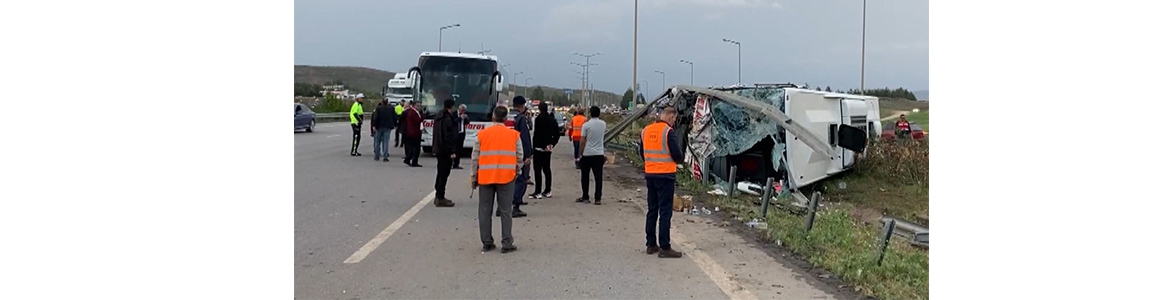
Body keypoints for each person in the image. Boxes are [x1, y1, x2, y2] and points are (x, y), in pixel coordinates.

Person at [472, 106, 523, 254]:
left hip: (486, 177)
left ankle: (487, 242)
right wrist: (517, 171)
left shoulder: (482, 134)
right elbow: (519, 155)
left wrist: (474, 177)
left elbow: (475, 157)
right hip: (506, 177)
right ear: (506, 119)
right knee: (506, 210)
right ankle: (507, 242)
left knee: (484, 210)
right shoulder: (513, 135)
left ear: (493, 117)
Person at [640, 107, 685, 258]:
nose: (674, 122)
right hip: (665, 176)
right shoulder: (668, 132)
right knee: (665, 212)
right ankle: (665, 247)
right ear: (671, 117)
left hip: (650, 175)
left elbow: (642, 153)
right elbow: (677, 155)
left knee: (652, 210)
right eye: (674, 119)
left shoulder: (646, 130)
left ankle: (651, 244)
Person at [502, 96, 532, 218]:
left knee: (504, 181)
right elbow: (524, 138)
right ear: (522, 106)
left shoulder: (504, 118)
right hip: (516, 153)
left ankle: (502, 207)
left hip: (503, 153)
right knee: (520, 179)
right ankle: (515, 206)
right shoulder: (520, 119)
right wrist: (527, 155)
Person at [576, 106, 607, 205]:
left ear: (590, 113)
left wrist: (580, 153)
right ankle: (598, 198)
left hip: (587, 153)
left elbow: (582, 140)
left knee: (585, 176)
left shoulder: (586, 125)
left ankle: (585, 196)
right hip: (599, 153)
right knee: (598, 177)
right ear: (599, 114)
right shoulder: (603, 124)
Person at [431, 99, 459, 207]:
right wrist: (452, 151)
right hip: (445, 150)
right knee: (444, 174)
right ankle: (440, 197)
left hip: (438, 148)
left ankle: (438, 195)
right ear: (451, 107)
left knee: (440, 173)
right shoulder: (447, 119)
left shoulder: (438, 117)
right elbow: (448, 137)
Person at [529, 102, 559, 199]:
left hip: (538, 147)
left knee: (537, 170)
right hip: (548, 148)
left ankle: (538, 191)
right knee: (547, 169)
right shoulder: (552, 120)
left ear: (539, 109)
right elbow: (557, 134)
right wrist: (552, 144)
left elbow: (537, 134)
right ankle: (548, 190)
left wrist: (533, 147)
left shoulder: (538, 119)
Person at [402, 100, 424, 167]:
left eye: (420, 105)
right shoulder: (412, 112)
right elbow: (417, 121)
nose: (419, 107)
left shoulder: (415, 112)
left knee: (413, 148)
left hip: (415, 132)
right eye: (417, 105)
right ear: (414, 105)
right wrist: (423, 117)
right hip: (414, 132)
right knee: (416, 148)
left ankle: (409, 159)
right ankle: (412, 161)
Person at [451, 104, 471, 170]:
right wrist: (460, 118)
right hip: (454, 134)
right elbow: (452, 121)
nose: (463, 112)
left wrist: (466, 118)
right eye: (462, 110)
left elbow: (467, 122)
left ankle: (456, 164)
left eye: (464, 111)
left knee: (459, 150)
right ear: (459, 109)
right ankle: (451, 163)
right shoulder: (453, 114)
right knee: (453, 150)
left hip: (461, 134)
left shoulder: (464, 114)